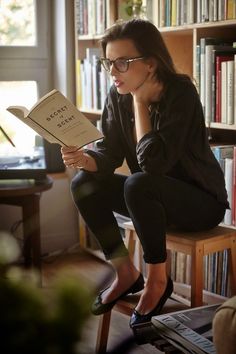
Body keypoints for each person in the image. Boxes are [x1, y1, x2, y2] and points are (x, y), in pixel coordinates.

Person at [61, 19, 228, 327]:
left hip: (200, 204)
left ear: (150, 63)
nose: (112, 72)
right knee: (85, 183)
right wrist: (85, 160)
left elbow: (154, 165)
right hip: (148, 198)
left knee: (139, 183)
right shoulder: (116, 95)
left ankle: (157, 281)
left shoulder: (181, 94)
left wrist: (138, 101)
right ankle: (125, 272)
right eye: (108, 63)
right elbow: (110, 154)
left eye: (122, 63)